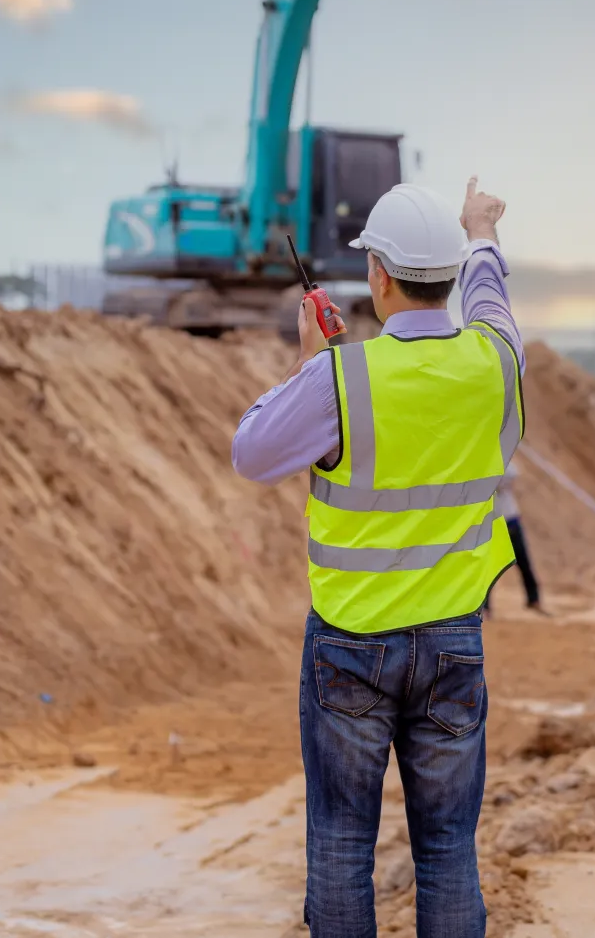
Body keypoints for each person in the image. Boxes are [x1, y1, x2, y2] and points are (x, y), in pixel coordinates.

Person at [232, 177, 521, 938]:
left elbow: (252, 453)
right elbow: (492, 303)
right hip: (454, 646)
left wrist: (309, 365)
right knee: (449, 846)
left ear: (378, 276)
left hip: (350, 647)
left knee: (339, 843)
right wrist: (482, 228)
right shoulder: (496, 366)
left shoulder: (341, 376)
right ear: (452, 275)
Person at [483, 459, 542, 615]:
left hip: (509, 519)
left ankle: (534, 599)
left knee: (523, 562)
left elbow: (511, 474)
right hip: (493, 521)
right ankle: (485, 606)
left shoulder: (503, 460)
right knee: (487, 567)